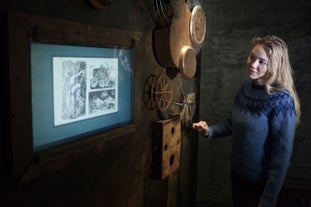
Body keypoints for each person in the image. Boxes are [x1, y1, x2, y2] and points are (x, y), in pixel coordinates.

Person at [192, 35, 301, 207]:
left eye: (261, 62)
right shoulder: (245, 89)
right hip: (238, 178)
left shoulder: (282, 101)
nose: (253, 64)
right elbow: (231, 123)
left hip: (261, 188)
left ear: (274, 65)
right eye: (252, 57)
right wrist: (209, 131)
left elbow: (281, 157)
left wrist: (268, 199)